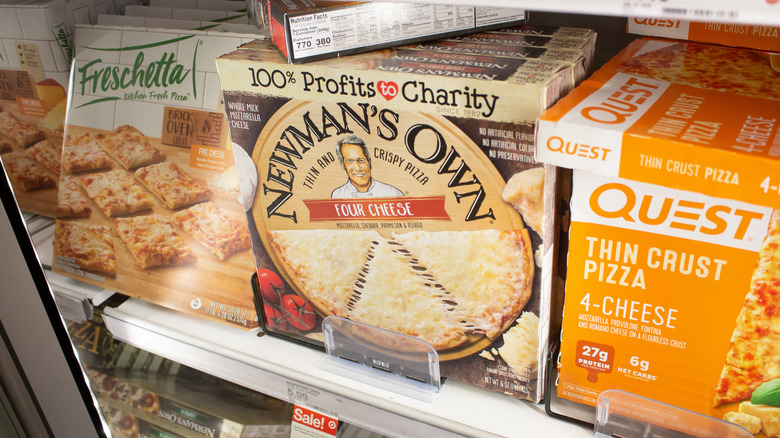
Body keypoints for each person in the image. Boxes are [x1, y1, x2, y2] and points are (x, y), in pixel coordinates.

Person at [331, 135, 404, 198]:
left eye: (361, 160)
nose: (358, 168)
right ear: (343, 165)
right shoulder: (337, 195)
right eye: (350, 161)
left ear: (369, 162)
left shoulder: (393, 194)